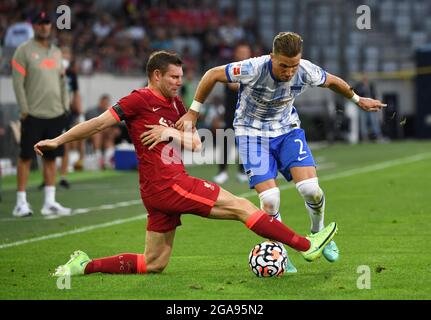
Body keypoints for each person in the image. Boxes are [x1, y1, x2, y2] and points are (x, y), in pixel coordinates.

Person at [34, 51, 337, 276]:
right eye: (174, 77)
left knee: (154, 264)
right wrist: (58, 142)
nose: (180, 83)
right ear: (156, 75)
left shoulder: (177, 105)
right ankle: (308, 246)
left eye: (181, 77)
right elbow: (99, 124)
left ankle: (83, 265)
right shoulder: (137, 100)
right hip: (169, 184)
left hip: (158, 191)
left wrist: (168, 131)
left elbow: (195, 142)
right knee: (243, 208)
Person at [176, 32, 386, 270]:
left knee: (311, 190)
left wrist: (358, 100)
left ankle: (318, 233)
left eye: (293, 66)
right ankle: (280, 252)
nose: (289, 72)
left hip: (287, 131)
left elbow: (333, 81)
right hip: (251, 134)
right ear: (271, 57)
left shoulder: (305, 70)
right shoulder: (253, 68)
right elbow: (212, 74)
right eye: (283, 65)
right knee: (270, 199)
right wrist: (193, 112)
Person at [11, 11, 71, 217]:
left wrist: (65, 106)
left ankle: (50, 202)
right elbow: (18, 83)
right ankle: (20, 202)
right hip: (33, 113)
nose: (44, 27)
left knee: (51, 159)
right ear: (34, 26)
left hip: (55, 113)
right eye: (40, 23)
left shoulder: (56, 52)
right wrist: (24, 109)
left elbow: (63, 82)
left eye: (47, 23)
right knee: (26, 157)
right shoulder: (23, 51)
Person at [213, 43, 251, 184]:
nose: (243, 54)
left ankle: (242, 171)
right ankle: (222, 172)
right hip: (231, 113)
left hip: (247, 114)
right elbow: (233, 85)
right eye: (240, 51)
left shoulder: (253, 68)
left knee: (245, 143)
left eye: (246, 51)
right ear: (236, 53)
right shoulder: (230, 69)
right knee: (226, 142)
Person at [85, 94, 121, 169]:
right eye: (103, 103)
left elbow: (117, 130)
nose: (105, 104)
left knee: (110, 136)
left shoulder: (111, 112)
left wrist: (111, 131)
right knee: (97, 135)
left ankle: (108, 160)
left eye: (106, 103)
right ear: (100, 102)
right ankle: (98, 158)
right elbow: (90, 127)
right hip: (93, 134)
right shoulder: (92, 112)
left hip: (106, 136)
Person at [354, 76, 385, 142]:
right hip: (362, 106)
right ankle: (365, 137)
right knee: (363, 122)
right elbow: (356, 95)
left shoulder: (371, 86)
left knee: (374, 121)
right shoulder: (359, 86)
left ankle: (377, 136)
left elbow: (374, 95)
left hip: (371, 106)